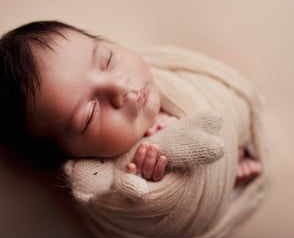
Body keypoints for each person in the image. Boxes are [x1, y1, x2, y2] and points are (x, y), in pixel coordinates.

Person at [0, 20, 261, 184]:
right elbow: (158, 215)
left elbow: (224, 95)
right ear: (67, 155)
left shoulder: (166, 67)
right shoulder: (108, 182)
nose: (120, 86)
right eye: (90, 113)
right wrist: (153, 185)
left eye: (108, 59)